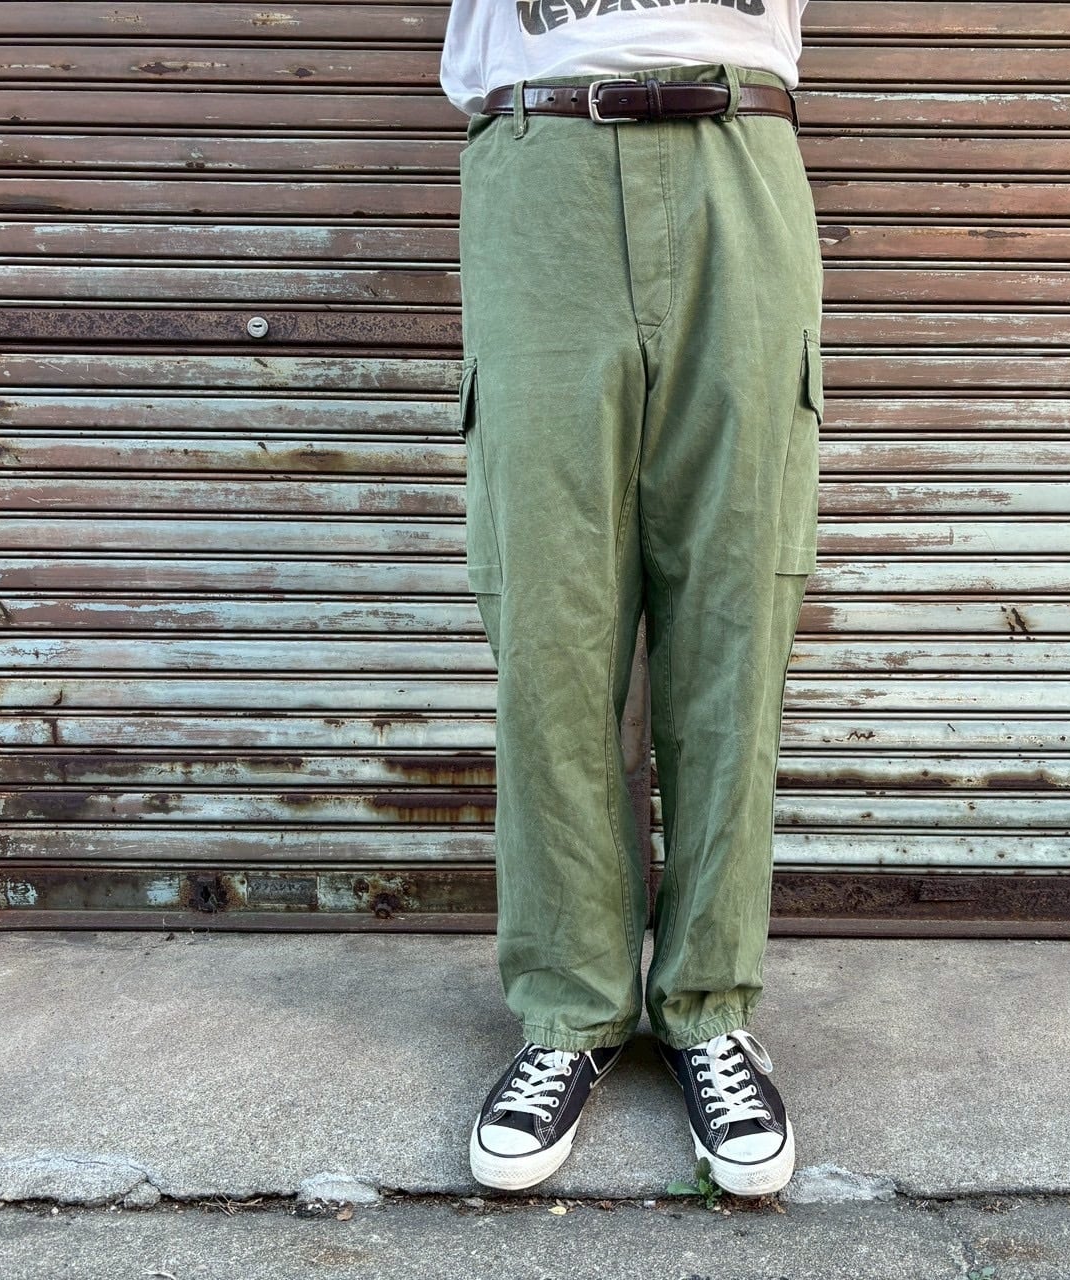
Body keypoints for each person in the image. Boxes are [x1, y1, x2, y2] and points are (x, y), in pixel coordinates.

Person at [440, 0, 821, 1198]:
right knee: (550, 626)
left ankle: (709, 1003)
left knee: (733, 610)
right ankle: (569, 1010)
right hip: (540, 159)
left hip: (737, 154)